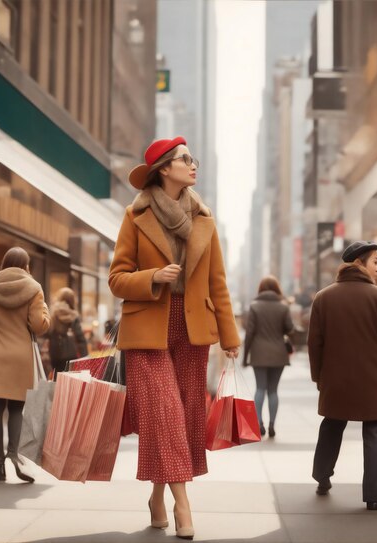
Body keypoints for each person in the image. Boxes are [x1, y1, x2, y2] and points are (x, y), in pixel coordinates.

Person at [109, 136, 240, 540]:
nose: (193, 165)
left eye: (192, 159)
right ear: (164, 168)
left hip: (192, 329)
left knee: (183, 420)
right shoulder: (135, 216)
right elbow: (116, 279)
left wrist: (229, 335)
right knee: (164, 413)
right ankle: (183, 506)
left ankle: (156, 496)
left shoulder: (203, 218)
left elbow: (218, 283)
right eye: (186, 159)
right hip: (148, 329)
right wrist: (153, 277)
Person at [308, 241, 377, 511]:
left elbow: (315, 343)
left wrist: (318, 377)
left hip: (335, 380)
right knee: (376, 432)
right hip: (374, 381)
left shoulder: (323, 297)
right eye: (375, 261)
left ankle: (322, 476)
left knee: (332, 425)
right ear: (359, 264)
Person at [0, 247, 50, 483]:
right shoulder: (34, 288)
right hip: (20, 355)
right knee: (17, 408)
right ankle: (14, 455)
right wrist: (45, 313)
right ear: (26, 266)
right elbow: (39, 325)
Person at [242, 275, 294, 438]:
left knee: (260, 388)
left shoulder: (255, 306)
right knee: (273, 390)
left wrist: (245, 356)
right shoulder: (283, 307)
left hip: (259, 353)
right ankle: (272, 424)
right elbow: (290, 328)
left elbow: (249, 333)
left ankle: (259, 424)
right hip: (279, 353)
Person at [48, 287, 88, 378]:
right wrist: (85, 357)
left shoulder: (53, 312)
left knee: (56, 379)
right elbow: (80, 337)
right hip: (71, 353)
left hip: (54, 352)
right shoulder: (74, 315)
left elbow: (48, 332)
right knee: (69, 381)